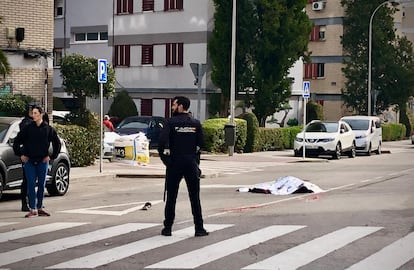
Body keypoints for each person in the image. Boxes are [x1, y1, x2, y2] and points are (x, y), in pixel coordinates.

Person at [157, 96, 208, 237]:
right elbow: (201, 144)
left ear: (180, 106)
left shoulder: (171, 122)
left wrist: (166, 161)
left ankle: (167, 228)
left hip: (174, 163)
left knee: (172, 197)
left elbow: (161, 143)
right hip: (190, 163)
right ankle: (199, 228)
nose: (172, 107)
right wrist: (195, 161)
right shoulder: (195, 123)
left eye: (174, 105)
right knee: (195, 197)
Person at [13, 105, 61, 218]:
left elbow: (57, 143)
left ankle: (40, 207)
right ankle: (32, 208)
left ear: (41, 114)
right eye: (32, 113)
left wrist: (51, 156)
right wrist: (21, 155)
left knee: (41, 184)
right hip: (29, 160)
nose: (33, 115)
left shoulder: (48, 129)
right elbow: (17, 141)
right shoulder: (28, 128)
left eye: (35, 113)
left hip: (42, 161)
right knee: (30, 184)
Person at [18, 104, 34, 212]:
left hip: (37, 155)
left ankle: (34, 201)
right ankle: (24, 203)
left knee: (34, 180)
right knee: (27, 180)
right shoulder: (25, 123)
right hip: (27, 155)